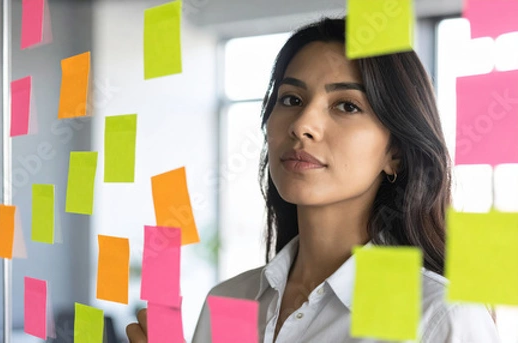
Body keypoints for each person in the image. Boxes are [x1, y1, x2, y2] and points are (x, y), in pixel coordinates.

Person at [126, 17, 500, 342]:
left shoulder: (439, 316)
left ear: (395, 153)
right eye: (290, 99)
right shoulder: (230, 303)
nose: (303, 125)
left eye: (346, 106)